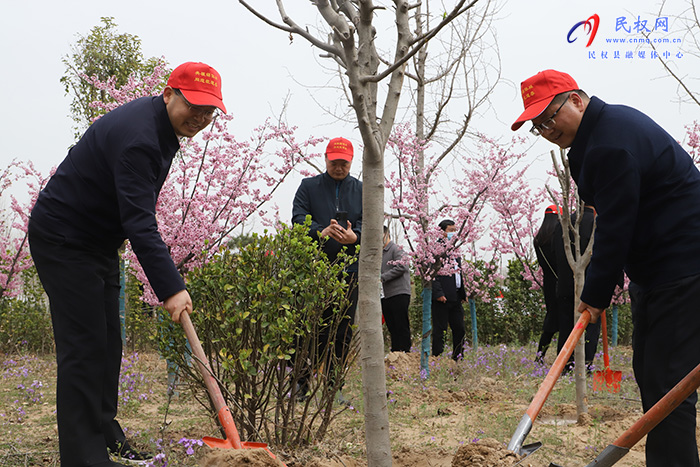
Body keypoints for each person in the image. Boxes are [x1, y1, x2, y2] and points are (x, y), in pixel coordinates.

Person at [28, 62, 226, 467]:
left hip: (97, 241)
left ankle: (105, 432)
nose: (202, 118)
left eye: (210, 111)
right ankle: (84, 458)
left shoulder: (158, 125)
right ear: (169, 94)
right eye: (195, 106)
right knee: (84, 349)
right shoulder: (141, 138)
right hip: (65, 239)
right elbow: (140, 221)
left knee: (108, 343)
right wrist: (171, 288)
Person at [512, 69, 700, 467]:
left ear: (577, 100)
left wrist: (594, 297)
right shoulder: (596, 137)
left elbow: (614, 226)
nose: (546, 129)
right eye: (537, 125)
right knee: (653, 377)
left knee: (669, 386)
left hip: (684, 268)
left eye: (550, 117)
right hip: (656, 271)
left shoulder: (611, 142)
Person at [291, 137, 362, 404]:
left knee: (342, 331)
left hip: (348, 270)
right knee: (306, 329)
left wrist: (355, 236)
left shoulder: (362, 190)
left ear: (351, 161)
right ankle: (300, 384)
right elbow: (298, 219)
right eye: (334, 161)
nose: (339, 167)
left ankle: (334, 388)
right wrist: (320, 232)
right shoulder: (308, 187)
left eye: (344, 162)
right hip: (312, 270)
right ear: (325, 158)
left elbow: (371, 222)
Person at [551, 205, 600, 373]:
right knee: (591, 325)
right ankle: (585, 364)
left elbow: (553, 253)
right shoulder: (596, 223)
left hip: (565, 284)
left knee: (565, 324)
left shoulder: (562, 224)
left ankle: (564, 364)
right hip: (591, 286)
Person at [432, 219, 467, 361]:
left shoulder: (455, 250)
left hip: (456, 296)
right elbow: (431, 274)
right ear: (442, 232)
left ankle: (458, 357)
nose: (453, 233)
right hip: (442, 297)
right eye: (450, 230)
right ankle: (437, 357)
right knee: (440, 330)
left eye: (454, 230)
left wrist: (462, 293)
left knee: (459, 328)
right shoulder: (435, 249)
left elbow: (459, 273)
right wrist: (438, 293)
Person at [533, 205, 560, 363]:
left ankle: (540, 355)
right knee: (564, 320)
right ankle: (564, 359)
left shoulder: (538, 239)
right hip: (562, 281)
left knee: (551, 318)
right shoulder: (558, 237)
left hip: (548, 283)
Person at [381, 226, 412, 352]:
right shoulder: (380, 253)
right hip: (386, 294)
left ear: (386, 234)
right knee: (391, 326)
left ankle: (405, 352)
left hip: (399, 293)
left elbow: (402, 266)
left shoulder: (396, 249)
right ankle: (395, 352)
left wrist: (382, 277)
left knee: (401, 324)